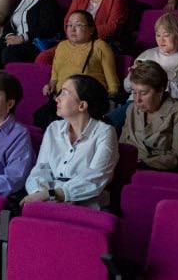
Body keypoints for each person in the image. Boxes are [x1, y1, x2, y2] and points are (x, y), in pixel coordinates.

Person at [23, 74, 118, 208]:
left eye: (64, 93)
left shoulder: (105, 132)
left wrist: (55, 194)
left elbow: (95, 178)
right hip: (48, 201)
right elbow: (41, 169)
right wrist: (39, 193)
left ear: (82, 105)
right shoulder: (54, 128)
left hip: (85, 204)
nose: (57, 98)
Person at [39, 11, 119, 128]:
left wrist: (110, 103)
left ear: (91, 29)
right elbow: (54, 78)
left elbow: (113, 84)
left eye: (78, 25)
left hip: (86, 102)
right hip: (61, 100)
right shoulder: (62, 46)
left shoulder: (100, 46)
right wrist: (50, 85)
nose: (72, 29)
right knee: (42, 116)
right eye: (69, 25)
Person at [121, 60, 178, 172]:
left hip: (159, 174)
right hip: (128, 170)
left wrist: (141, 163)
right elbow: (122, 145)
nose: (137, 99)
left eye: (143, 93)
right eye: (134, 92)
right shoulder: (131, 109)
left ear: (160, 91)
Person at [124, 11, 178, 104]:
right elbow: (127, 87)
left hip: (162, 104)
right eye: (158, 35)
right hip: (134, 102)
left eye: (166, 35)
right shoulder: (147, 54)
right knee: (108, 118)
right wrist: (132, 76)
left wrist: (153, 82)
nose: (161, 40)